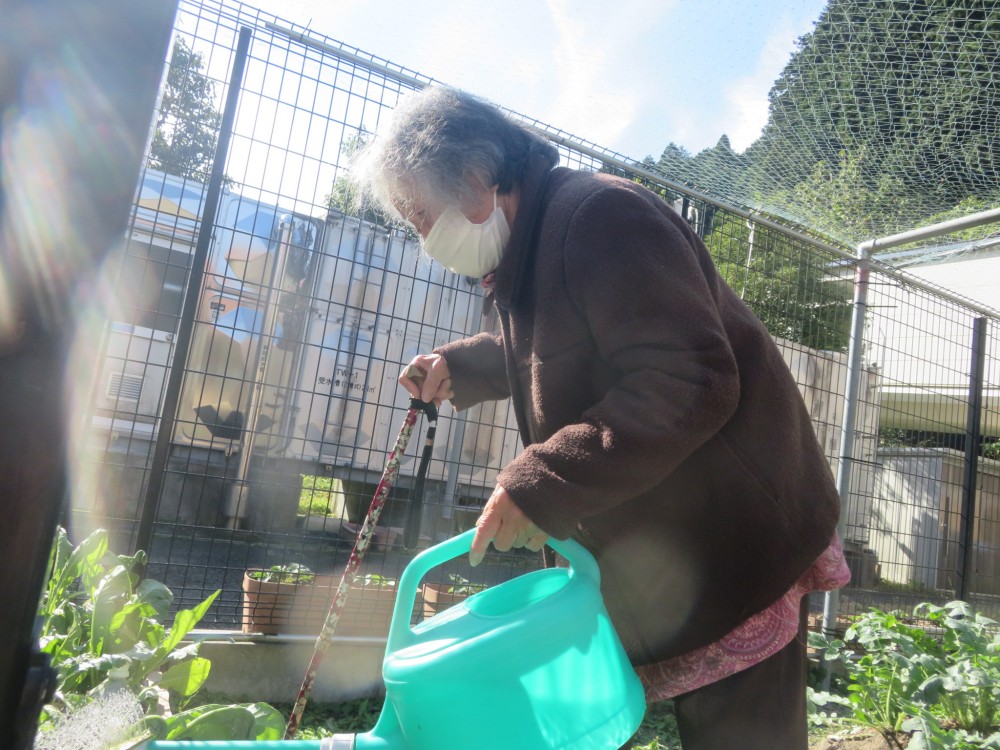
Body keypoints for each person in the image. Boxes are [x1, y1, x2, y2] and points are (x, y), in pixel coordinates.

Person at [353, 85, 849, 749]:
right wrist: (459, 367)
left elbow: (689, 377)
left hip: (735, 538)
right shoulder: (527, 251)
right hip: (680, 545)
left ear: (476, 180)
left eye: (420, 218)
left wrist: (546, 477)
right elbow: (552, 349)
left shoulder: (601, 217)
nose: (424, 241)